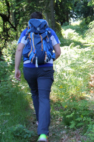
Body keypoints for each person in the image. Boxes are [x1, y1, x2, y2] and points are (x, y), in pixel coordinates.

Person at [14, 11, 61, 142]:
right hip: (46, 69)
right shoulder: (50, 31)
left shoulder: (26, 32)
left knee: (35, 94)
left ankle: (40, 122)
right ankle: (43, 134)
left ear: (31, 20)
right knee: (44, 98)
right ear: (42, 20)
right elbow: (58, 52)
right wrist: (49, 60)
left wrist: (16, 68)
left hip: (29, 68)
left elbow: (19, 49)